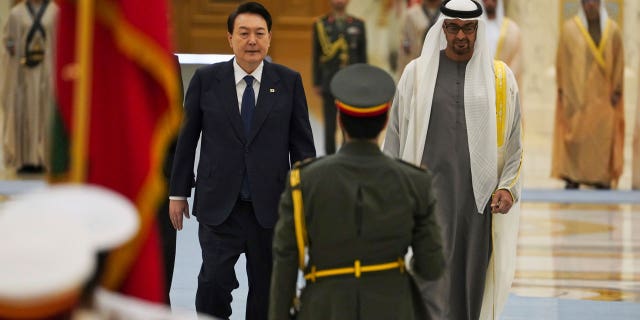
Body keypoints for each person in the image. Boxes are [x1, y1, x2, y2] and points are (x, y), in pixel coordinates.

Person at [169, 2, 316, 319]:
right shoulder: (207, 80)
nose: (252, 40)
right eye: (244, 33)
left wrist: (307, 197)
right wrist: (178, 193)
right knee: (212, 284)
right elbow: (187, 139)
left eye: (259, 33)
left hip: (270, 208)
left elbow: (303, 148)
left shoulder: (288, 82)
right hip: (220, 206)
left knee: (267, 290)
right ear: (230, 38)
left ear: (269, 38)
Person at [269, 63, 444, 320]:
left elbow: (285, 264)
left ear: (339, 119)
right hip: (393, 307)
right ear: (385, 120)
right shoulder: (415, 182)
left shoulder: (304, 181)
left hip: (325, 308)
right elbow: (431, 267)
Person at [383, 0, 523, 319]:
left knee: (471, 284)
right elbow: (394, 138)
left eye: (469, 28)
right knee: (427, 278)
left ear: (478, 29)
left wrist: (508, 188)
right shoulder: (416, 75)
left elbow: (516, 143)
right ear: (443, 28)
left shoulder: (500, 79)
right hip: (427, 201)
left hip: (478, 206)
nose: (461, 36)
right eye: (454, 27)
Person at [552, 0, 624, 190]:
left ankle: (600, 177)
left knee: (601, 138)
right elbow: (561, 61)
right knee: (576, 136)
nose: (590, 5)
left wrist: (617, 89)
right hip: (576, 97)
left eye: (594, 1)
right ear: (582, 4)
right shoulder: (569, 30)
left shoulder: (613, 30)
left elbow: (619, 62)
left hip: (603, 99)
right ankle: (572, 176)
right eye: (586, 1)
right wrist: (562, 89)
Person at [0, 0, 59, 174]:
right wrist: (13, 53)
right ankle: (26, 159)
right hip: (25, 73)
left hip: (48, 71)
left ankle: (45, 156)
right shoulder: (16, 13)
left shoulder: (55, 11)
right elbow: (8, 41)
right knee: (26, 113)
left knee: (45, 114)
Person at [312, 0, 367, 155]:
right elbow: (316, 56)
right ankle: (330, 157)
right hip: (329, 81)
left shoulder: (358, 24)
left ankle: (347, 154)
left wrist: (363, 80)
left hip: (351, 82)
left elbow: (362, 56)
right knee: (330, 125)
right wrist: (317, 81)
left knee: (349, 123)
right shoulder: (321, 24)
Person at [395, 0, 442, 79]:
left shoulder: (448, 13)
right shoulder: (411, 14)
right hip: (419, 69)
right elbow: (405, 50)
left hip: (442, 67)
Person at [482, 0, 522, 84]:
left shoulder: (512, 29)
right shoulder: (472, 28)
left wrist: (501, 80)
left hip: (503, 85)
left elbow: (516, 62)